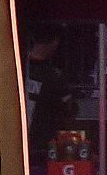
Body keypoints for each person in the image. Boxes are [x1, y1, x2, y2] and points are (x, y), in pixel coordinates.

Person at [23, 24, 77, 156]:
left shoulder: (16, 68)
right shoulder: (54, 76)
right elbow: (69, 110)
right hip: (41, 149)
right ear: (55, 41)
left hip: (16, 145)